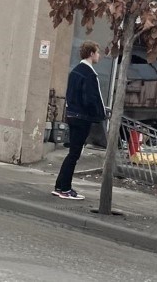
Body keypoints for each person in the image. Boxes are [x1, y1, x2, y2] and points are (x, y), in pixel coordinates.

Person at [52, 40, 107, 200]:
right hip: (83, 117)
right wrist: (98, 114)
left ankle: (60, 185)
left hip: (72, 115)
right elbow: (90, 98)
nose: (99, 55)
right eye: (97, 52)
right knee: (74, 154)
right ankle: (65, 189)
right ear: (91, 53)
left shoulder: (75, 71)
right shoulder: (89, 74)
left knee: (72, 153)